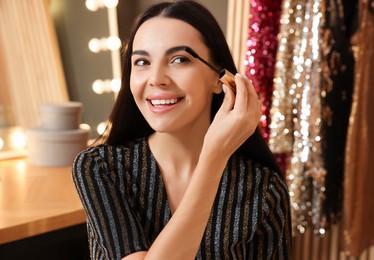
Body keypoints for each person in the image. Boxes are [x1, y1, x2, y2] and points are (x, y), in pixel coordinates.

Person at [72, 1, 292, 259]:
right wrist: (213, 158)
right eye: (142, 62)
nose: (156, 78)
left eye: (179, 59)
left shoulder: (263, 189)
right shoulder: (100, 168)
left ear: (218, 77)